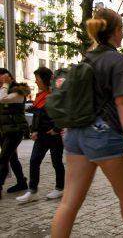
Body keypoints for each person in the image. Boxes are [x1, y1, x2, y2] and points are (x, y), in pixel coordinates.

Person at [51, 8, 123, 238]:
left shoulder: (86, 58)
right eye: (122, 29)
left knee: (69, 202)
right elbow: (122, 103)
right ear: (114, 31)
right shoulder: (117, 59)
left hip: (75, 134)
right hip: (103, 134)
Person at [16, 67, 65, 203]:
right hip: (42, 136)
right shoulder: (39, 96)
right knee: (34, 161)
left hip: (54, 136)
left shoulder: (54, 95)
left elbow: (61, 114)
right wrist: (34, 130)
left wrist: (56, 129)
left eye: (37, 78)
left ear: (44, 79)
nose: (36, 81)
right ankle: (33, 191)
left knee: (57, 162)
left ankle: (60, 188)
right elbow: (38, 116)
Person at [0, 68, 30, 199]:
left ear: (10, 78)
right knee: (12, 158)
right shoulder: (3, 90)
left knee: (3, 158)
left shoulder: (18, 92)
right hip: (4, 130)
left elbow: (3, 99)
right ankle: (22, 182)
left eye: (3, 78)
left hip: (15, 129)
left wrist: (5, 84)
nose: (1, 81)